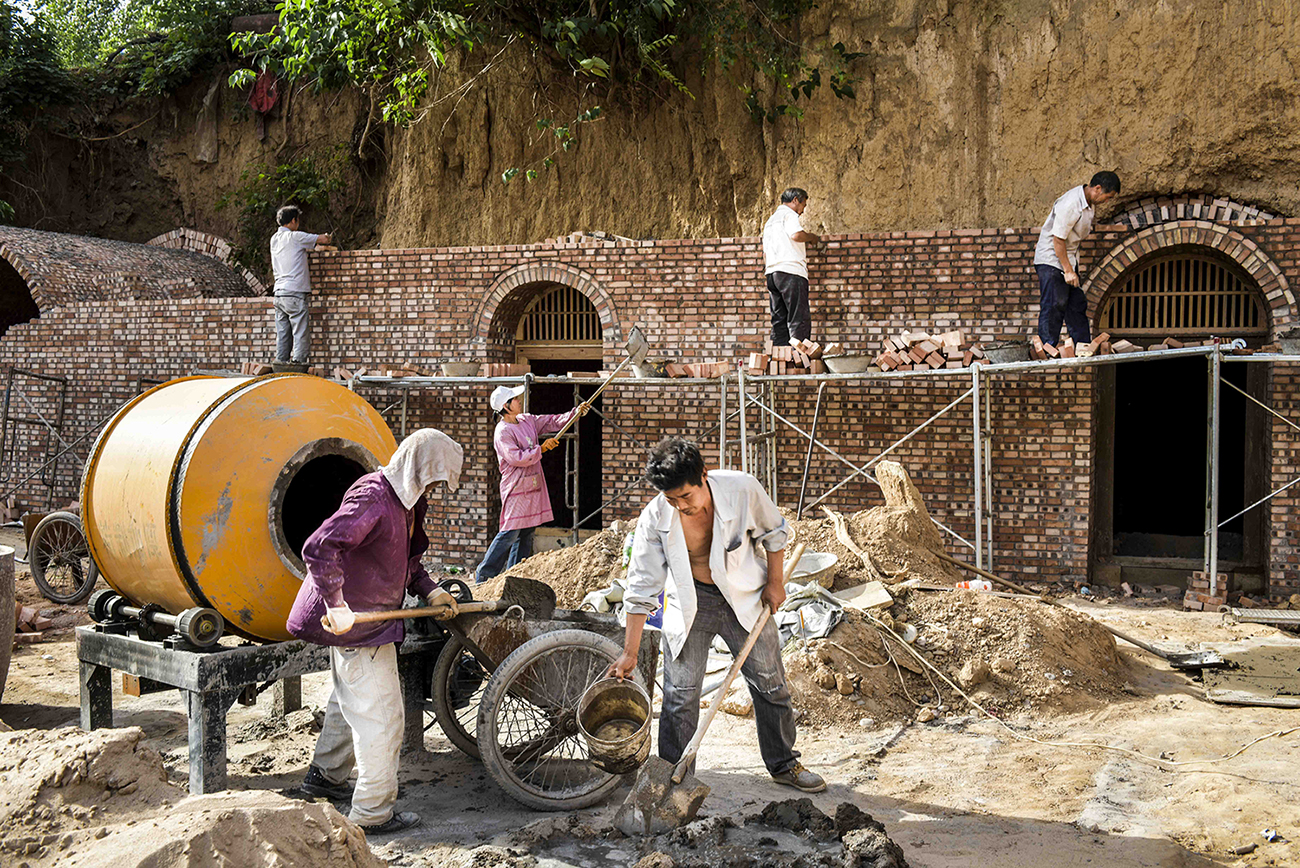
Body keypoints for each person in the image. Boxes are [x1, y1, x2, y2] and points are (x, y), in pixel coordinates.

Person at [608, 437, 825, 793]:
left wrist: (775, 583)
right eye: (671, 499)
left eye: (686, 497)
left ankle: (784, 763)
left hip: (745, 597)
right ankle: (674, 780)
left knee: (771, 684)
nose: (680, 506)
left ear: (703, 477)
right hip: (692, 603)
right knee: (680, 696)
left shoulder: (741, 489)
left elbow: (775, 532)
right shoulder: (655, 518)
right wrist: (630, 652)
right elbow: (642, 587)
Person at [286, 428, 464, 836]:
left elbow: (406, 563)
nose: (434, 491)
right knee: (383, 719)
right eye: (435, 480)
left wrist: (432, 590)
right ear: (418, 469)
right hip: (353, 622)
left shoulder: (405, 503)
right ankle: (371, 812)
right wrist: (337, 604)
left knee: (351, 699)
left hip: (371, 617)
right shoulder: (373, 497)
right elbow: (319, 547)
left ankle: (325, 777)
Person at [476, 385, 590, 583]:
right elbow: (516, 457)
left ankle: (514, 576)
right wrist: (541, 449)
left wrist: (575, 414)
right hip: (516, 486)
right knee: (510, 532)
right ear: (506, 406)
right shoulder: (503, 432)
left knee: (526, 532)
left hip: (532, 485)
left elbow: (551, 421)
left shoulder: (526, 420)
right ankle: (484, 575)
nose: (519, 401)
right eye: (515, 399)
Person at [1033, 171, 1122, 346]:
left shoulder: (1088, 203)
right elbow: (1057, 239)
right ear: (1097, 188)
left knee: (1076, 303)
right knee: (1054, 304)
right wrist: (1067, 270)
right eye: (1108, 196)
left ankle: (1083, 346)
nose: (1107, 201)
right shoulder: (1071, 203)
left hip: (1067, 260)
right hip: (1051, 260)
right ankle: (1046, 348)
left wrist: (1071, 268)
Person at [271, 204, 331, 366]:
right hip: (294, 292)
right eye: (297, 221)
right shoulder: (295, 237)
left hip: (279, 294)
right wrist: (327, 237)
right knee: (300, 331)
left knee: (283, 333)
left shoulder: (274, 239)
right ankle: (298, 363)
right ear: (293, 221)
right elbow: (322, 239)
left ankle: (280, 363)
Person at [762, 187, 821, 346]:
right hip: (791, 273)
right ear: (795, 200)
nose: (803, 211)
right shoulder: (789, 215)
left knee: (779, 320)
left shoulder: (770, 222)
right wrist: (812, 238)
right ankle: (799, 359)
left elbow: (765, 254)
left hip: (772, 275)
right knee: (798, 318)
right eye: (803, 205)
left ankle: (780, 359)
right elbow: (796, 235)